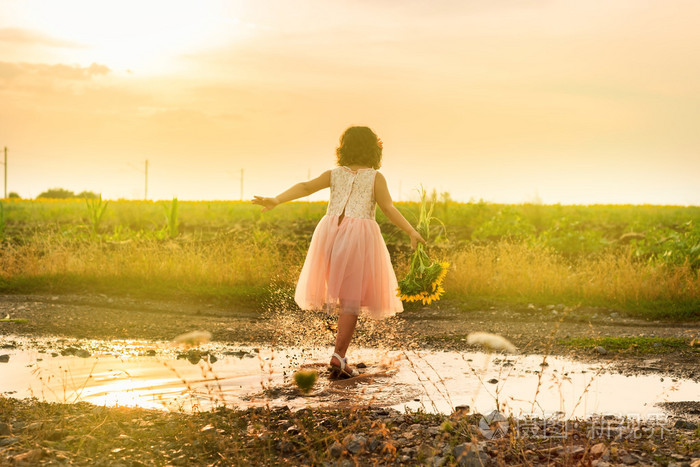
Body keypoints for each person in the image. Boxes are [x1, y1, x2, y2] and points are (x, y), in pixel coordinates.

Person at [252, 126, 425, 378]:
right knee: (350, 299)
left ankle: (338, 352)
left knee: (342, 295)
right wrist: (411, 231)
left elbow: (305, 187)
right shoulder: (376, 177)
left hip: (329, 233)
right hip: (358, 238)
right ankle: (339, 356)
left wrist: (277, 199)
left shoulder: (334, 174)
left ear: (344, 148)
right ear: (373, 149)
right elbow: (388, 208)